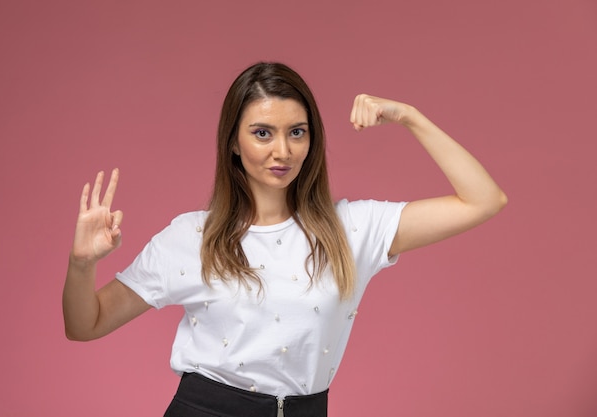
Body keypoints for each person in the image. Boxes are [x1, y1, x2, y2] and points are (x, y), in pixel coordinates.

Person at [63, 62, 507, 417]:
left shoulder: (352, 229)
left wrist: (409, 116)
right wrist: (82, 264)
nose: (283, 151)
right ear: (233, 143)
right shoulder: (192, 237)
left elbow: (483, 200)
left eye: (297, 132)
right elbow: (86, 324)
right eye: (262, 133)